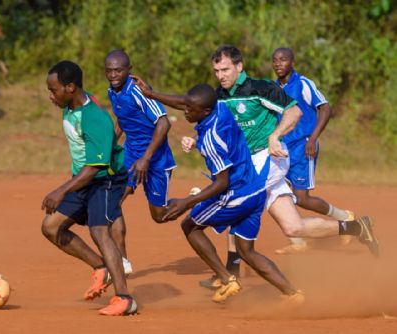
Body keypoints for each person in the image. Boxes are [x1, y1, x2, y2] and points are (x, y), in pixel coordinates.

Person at [172, 45, 378, 289]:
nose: (221, 75)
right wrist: (195, 140)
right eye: (216, 71)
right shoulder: (220, 97)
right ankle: (356, 227)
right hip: (253, 165)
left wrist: (275, 136)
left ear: (239, 66)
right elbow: (211, 123)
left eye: (225, 69)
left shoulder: (260, 87)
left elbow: (295, 112)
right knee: (294, 228)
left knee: (238, 198)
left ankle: (229, 274)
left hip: (270, 159)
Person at [132, 79, 304, 303]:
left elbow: (221, 183)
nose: (185, 111)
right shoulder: (220, 108)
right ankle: (293, 294)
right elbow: (185, 100)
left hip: (236, 195)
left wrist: (188, 201)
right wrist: (152, 95)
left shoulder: (211, 139)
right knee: (247, 251)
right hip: (256, 191)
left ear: (204, 111)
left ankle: (227, 279)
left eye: (190, 109)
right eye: (185, 106)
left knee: (190, 225)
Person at [40, 60, 137, 316]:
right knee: (50, 227)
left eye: (54, 90)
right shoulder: (72, 105)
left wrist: (60, 191)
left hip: (105, 179)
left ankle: (125, 298)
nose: (51, 95)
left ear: (70, 87)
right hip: (82, 178)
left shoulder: (93, 119)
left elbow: (95, 168)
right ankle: (101, 267)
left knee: (99, 231)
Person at [272, 47, 355, 250]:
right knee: (275, 191)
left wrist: (313, 138)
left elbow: (325, 107)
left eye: (283, 60)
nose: (278, 64)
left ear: (292, 62)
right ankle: (298, 242)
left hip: (303, 146)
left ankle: (344, 217)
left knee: (302, 198)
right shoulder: (274, 89)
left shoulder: (303, 83)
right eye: (275, 60)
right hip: (283, 148)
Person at [105, 50, 176, 221]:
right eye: (109, 70)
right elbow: (123, 118)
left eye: (118, 70)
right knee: (114, 201)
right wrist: (109, 145)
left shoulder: (138, 91)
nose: (113, 75)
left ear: (129, 69)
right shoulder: (112, 91)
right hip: (130, 153)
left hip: (156, 157)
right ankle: (113, 247)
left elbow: (164, 123)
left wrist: (146, 158)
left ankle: (194, 200)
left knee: (160, 216)